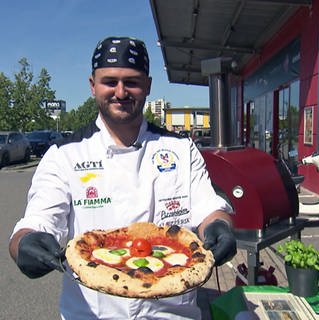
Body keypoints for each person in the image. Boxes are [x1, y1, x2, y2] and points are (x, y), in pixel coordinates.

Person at [9, 36, 237, 319]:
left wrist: (220, 226)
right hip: (91, 315)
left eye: (131, 82)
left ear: (148, 86)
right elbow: (38, 220)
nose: (120, 91)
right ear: (93, 86)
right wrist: (24, 244)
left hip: (172, 313)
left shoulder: (180, 148)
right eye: (110, 81)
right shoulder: (64, 154)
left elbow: (209, 208)